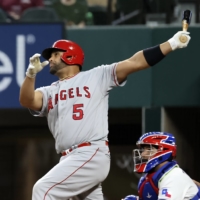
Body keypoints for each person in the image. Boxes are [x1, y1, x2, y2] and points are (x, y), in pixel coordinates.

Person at [19, 30, 191, 200]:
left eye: (55, 54)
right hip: (68, 158)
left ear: (70, 56)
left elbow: (135, 62)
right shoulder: (49, 91)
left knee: (43, 189)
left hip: (89, 152)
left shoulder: (97, 76)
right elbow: (27, 100)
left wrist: (171, 44)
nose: (50, 59)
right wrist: (30, 75)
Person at [122, 132, 200, 200]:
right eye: (143, 149)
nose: (143, 154)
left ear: (164, 150)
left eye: (149, 149)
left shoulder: (174, 176)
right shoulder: (151, 177)